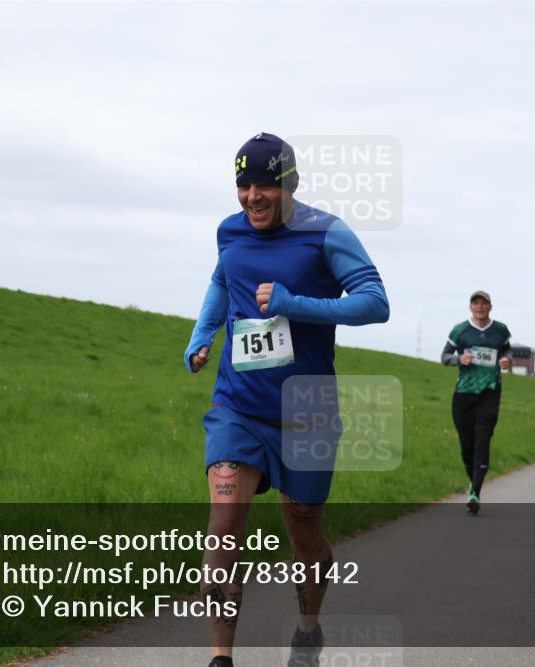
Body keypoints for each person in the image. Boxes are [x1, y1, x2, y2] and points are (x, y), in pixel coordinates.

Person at [184, 132, 390, 667]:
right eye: (243, 184)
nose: (252, 196)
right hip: (238, 405)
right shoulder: (229, 232)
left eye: (264, 185)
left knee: (304, 532)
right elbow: (219, 279)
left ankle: (307, 630)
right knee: (224, 522)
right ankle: (221, 658)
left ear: (288, 183)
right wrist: (202, 333)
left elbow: (375, 302)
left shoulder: (326, 233)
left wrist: (295, 303)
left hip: (308, 412)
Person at [442, 291, 512, 515]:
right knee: (467, 445)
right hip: (464, 394)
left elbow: (507, 351)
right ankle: (473, 481)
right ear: (470, 307)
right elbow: (444, 357)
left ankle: (475, 492)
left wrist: (507, 360)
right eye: (476, 303)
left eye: (484, 303)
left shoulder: (500, 330)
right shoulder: (460, 330)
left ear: (490, 306)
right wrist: (458, 359)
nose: (480, 307)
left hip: (490, 393)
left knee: (482, 441)